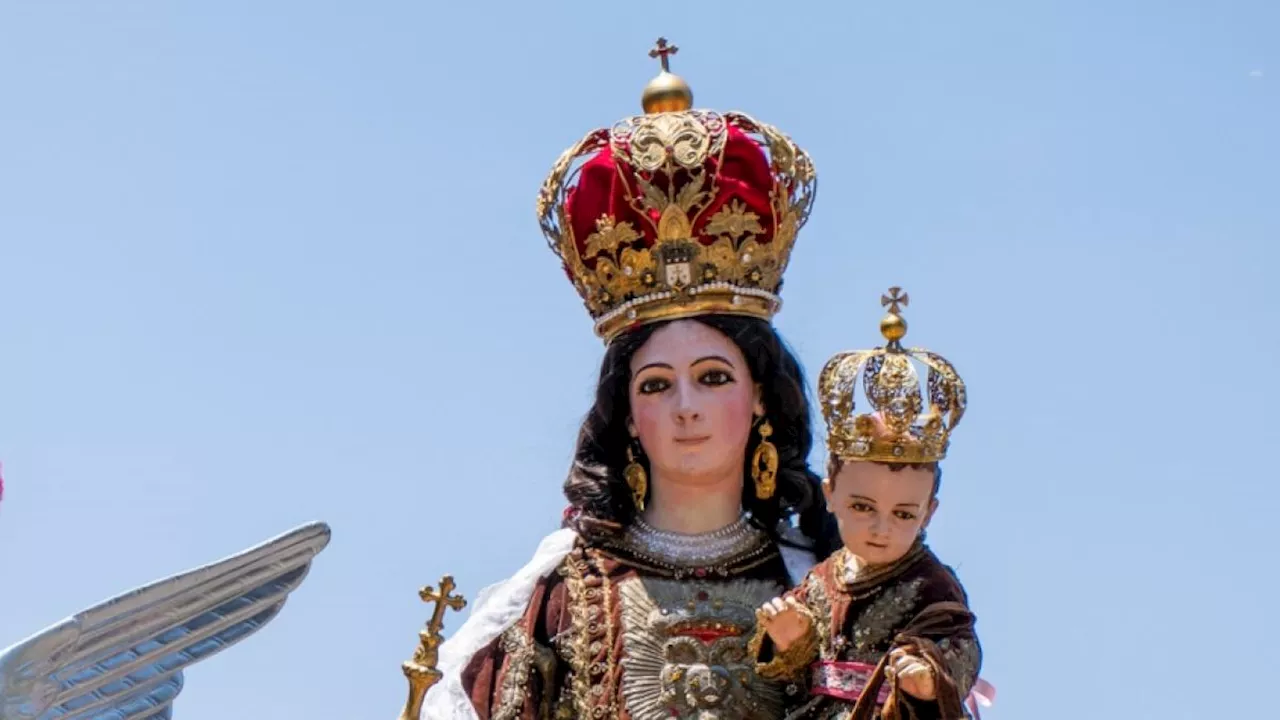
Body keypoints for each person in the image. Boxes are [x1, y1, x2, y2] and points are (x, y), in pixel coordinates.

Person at [419, 39, 836, 719]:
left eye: (711, 377)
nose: (685, 407)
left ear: (760, 395)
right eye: (655, 385)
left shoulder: (822, 585)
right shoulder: (557, 594)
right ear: (625, 412)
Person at [752, 288, 991, 719]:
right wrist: (791, 638)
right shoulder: (821, 578)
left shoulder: (931, 583)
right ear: (830, 495)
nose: (882, 528)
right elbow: (793, 670)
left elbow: (961, 646)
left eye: (903, 514)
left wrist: (927, 675)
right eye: (863, 507)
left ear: (928, 513)